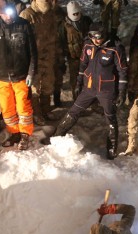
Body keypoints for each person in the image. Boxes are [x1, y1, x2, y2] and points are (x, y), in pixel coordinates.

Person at [51, 23, 128, 160]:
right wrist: (78, 83)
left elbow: (123, 71)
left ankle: (111, 149)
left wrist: (122, 92)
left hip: (106, 90)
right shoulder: (88, 45)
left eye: (98, 37)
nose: (95, 39)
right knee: (73, 112)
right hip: (89, 88)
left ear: (104, 34)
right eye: (92, 36)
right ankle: (56, 138)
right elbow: (83, 65)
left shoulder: (115, 48)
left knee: (110, 117)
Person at [0, 0, 37, 150]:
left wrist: (31, 73)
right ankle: (14, 133)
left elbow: (33, 53)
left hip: (21, 75)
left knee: (23, 106)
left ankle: (25, 134)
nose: (8, 16)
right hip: (0, 77)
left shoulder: (24, 25)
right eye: (4, 13)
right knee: (7, 108)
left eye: (10, 12)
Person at [20, 0, 64, 124]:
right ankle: (36, 113)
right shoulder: (27, 15)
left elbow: (55, 37)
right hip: (33, 59)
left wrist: (59, 56)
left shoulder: (51, 14)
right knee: (34, 88)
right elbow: (20, 40)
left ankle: (46, 110)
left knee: (48, 84)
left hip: (49, 57)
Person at [61, 1, 92, 100]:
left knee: (89, 78)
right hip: (73, 58)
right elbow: (61, 41)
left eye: (77, 13)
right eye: (73, 14)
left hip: (88, 57)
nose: (76, 15)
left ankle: (90, 100)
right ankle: (77, 101)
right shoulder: (63, 25)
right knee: (75, 80)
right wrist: (62, 58)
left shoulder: (87, 21)